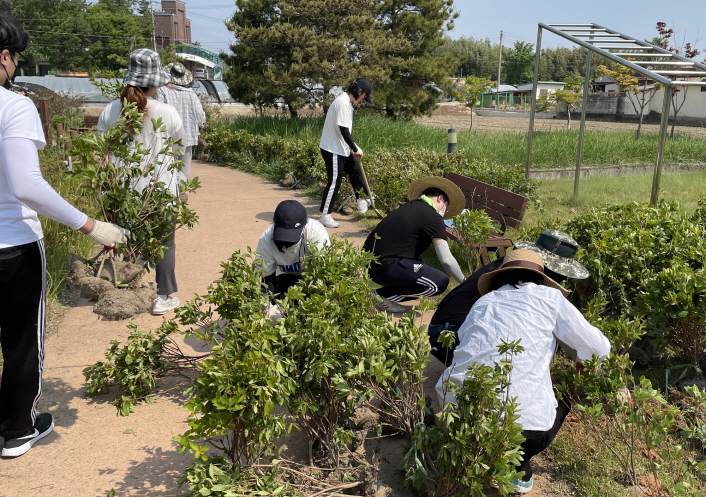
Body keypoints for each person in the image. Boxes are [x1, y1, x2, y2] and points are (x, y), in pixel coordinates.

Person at [0, 12, 129, 458]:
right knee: (19, 341)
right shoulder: (12, 105)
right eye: (16, 58)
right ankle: (17, 429)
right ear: (4, 57)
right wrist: (91, 226)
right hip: (11, 246)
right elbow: (26, 186)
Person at [436, 249, 611, 494]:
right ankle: (517, 468)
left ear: (499, 276)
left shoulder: (483, 302)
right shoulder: (551, 297)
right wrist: (584, 362)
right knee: (562, 394)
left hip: (461, 417)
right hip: (527, 432)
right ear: (540, 278)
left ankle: (476, 457)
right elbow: (598, 348)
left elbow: (465, 344)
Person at [97, 48, 184, 316]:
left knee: (129, 240)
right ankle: (163, 296)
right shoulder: (168, 112)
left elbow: (102, 155)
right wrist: (181, 186)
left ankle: (130, 289)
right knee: (164, 243)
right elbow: (180, 152)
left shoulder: (110, 111)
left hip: (123, 192)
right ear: (156, 81)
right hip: (161, 192)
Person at [428, 230, 590, 366]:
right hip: (453, 336)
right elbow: (559, 327)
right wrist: (582, 359)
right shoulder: (530, 285)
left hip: (440, 329)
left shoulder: (510, 266)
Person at [363, 176, 466, 313]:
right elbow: (446, 261)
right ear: (440, 198)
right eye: (445, 207)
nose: (444, 211)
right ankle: (382, 295)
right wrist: (465, 283)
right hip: (385, 266)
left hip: (369, 263)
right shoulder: (433, 217)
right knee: (437, 283)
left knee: (418, 261)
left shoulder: (408, 207)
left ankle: (376, 284)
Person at [318, 77, 373, 228]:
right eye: (364, 96)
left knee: (355, 170)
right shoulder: (342, 103)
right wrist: (356, 148)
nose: (363, 100)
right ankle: (325, 215)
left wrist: (351, 148)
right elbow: (344, 132)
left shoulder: (347, 103)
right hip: (332, 149)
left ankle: (361, 200)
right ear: (359, 91)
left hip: (341, 148)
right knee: (334, 181)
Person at [255, 199, 330, 304]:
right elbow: (267, 280)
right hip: (283, 275)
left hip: (310, 277)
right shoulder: (266, 240)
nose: (286, 242)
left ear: (304, 225)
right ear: (274, 224)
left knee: (332, 269)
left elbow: (322, 272)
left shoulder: (316, 232)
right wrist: (264, 306)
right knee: (281, 304)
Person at [156, 62, 206, 183]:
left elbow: (158, 112)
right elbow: (201, 117)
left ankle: (168, 193)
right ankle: (181, 191)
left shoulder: (162, 91)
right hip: (188, 136)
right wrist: (200, 127)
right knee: (184, 169)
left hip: (167, 137)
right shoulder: (191, 94)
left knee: (166, 168)